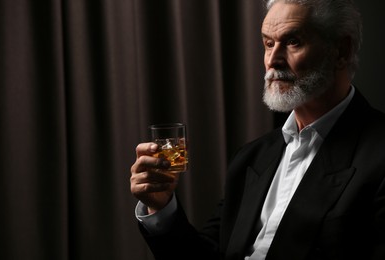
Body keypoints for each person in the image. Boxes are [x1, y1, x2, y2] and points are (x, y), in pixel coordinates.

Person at [130, 0, 385, 259]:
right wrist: (161, 207)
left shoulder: (377, 154)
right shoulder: (251, 158)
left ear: (341, 51)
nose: (273, 60)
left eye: (293, 41)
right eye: (268, 44)